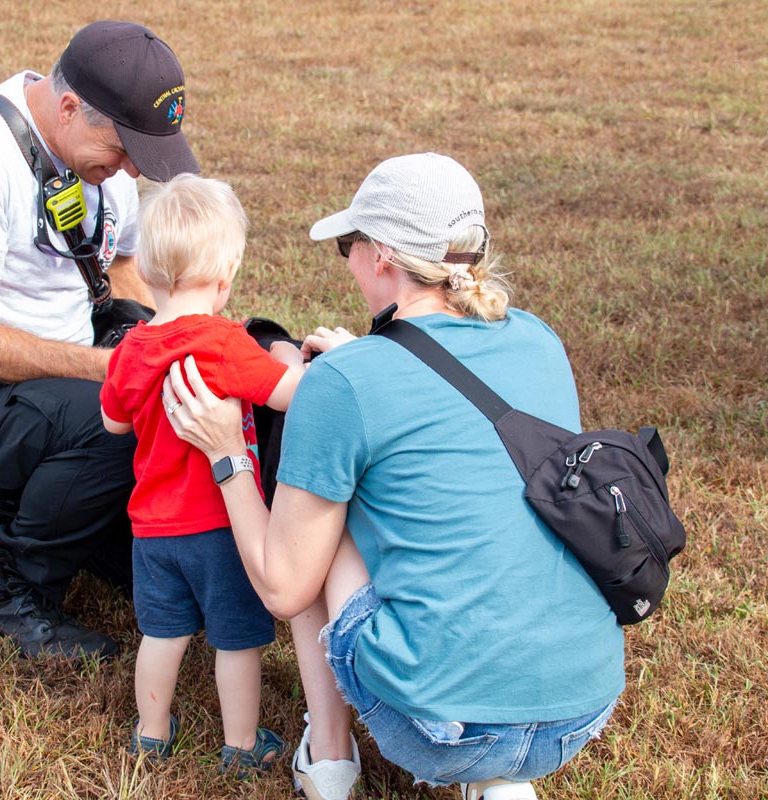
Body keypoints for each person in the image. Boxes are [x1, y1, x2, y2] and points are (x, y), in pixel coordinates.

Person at [161, 153, 625, 800]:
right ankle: (501, 783)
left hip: (445, 728)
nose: (347, 261)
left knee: (324, 515)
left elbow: (283, 589)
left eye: (348, 246)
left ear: (381, 256)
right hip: (582, 708)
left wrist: (226, 456)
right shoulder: (540, 339)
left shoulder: (344, 383)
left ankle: (329, 755)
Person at [0, 20, 199, 662]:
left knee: (166, 390)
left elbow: (120, 269)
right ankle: (11, 590)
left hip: (46, 378)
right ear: (69, 107)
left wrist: (161, 337)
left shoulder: (102, 160)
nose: (133, 168)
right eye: (127, 147)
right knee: (118, 420)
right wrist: (113, 369)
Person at [99, 174, 305, 774]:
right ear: (225, 278)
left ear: (153, 274)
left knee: (162, 635)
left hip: (152, 529)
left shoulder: (133, 349)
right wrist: (295, 358)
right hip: (220, 526)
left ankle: (151, 732)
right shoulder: (226, 343)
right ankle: (242, 744)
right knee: (236, 639)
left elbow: (113, 424)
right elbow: (291, 395)